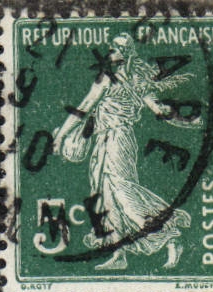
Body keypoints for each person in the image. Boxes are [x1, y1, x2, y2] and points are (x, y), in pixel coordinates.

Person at [53, 32, 195, 271]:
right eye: (111, 46)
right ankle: (118, 254)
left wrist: (59, 136)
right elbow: (157, 109)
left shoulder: (108, 78)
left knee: (121, 191)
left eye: (116, 47)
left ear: (125, 53)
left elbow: (84, 107)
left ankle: (170, 236)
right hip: (108, 139)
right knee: (104, 194)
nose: (110, 51)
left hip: (117, 139)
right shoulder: (135, 79)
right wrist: (181, 117)